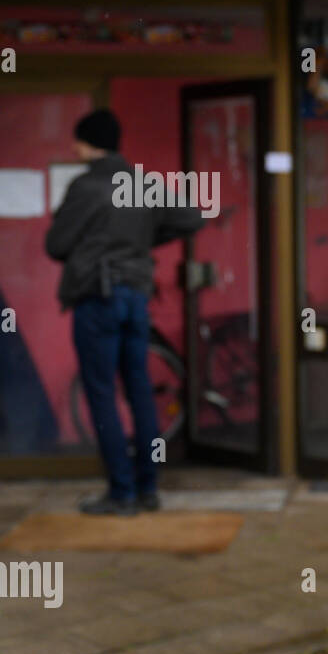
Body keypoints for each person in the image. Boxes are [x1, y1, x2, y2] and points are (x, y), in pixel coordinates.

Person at [46, 109, 204, 515]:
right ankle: (148, 488)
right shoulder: (139, 183)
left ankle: (121, 492)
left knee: (101, 393)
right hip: (136, 295)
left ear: (87, 143)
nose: (73, 147)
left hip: (98, 296)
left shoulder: (86, 186)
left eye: (77, 140)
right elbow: (191, 217)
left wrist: (98, 244)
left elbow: (56, 245)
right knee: (139, 392)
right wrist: (145, 239)